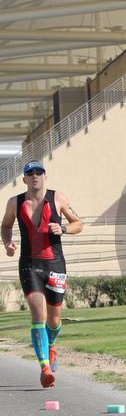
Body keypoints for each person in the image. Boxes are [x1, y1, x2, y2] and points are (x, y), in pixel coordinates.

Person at [1, 161, 83, 388]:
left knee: (54, 320)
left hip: (55, 264)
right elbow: (5, 226)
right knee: (38, 313)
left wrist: (63, 229)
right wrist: (7, 244)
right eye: (30, 173)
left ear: (45, 176)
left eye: (39, 172)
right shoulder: (14, 202)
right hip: (29, 264)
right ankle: (45, 368)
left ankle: (51, 345)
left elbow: (78, 224)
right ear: (24, 179)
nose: (35, 176)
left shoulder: (58, 198)